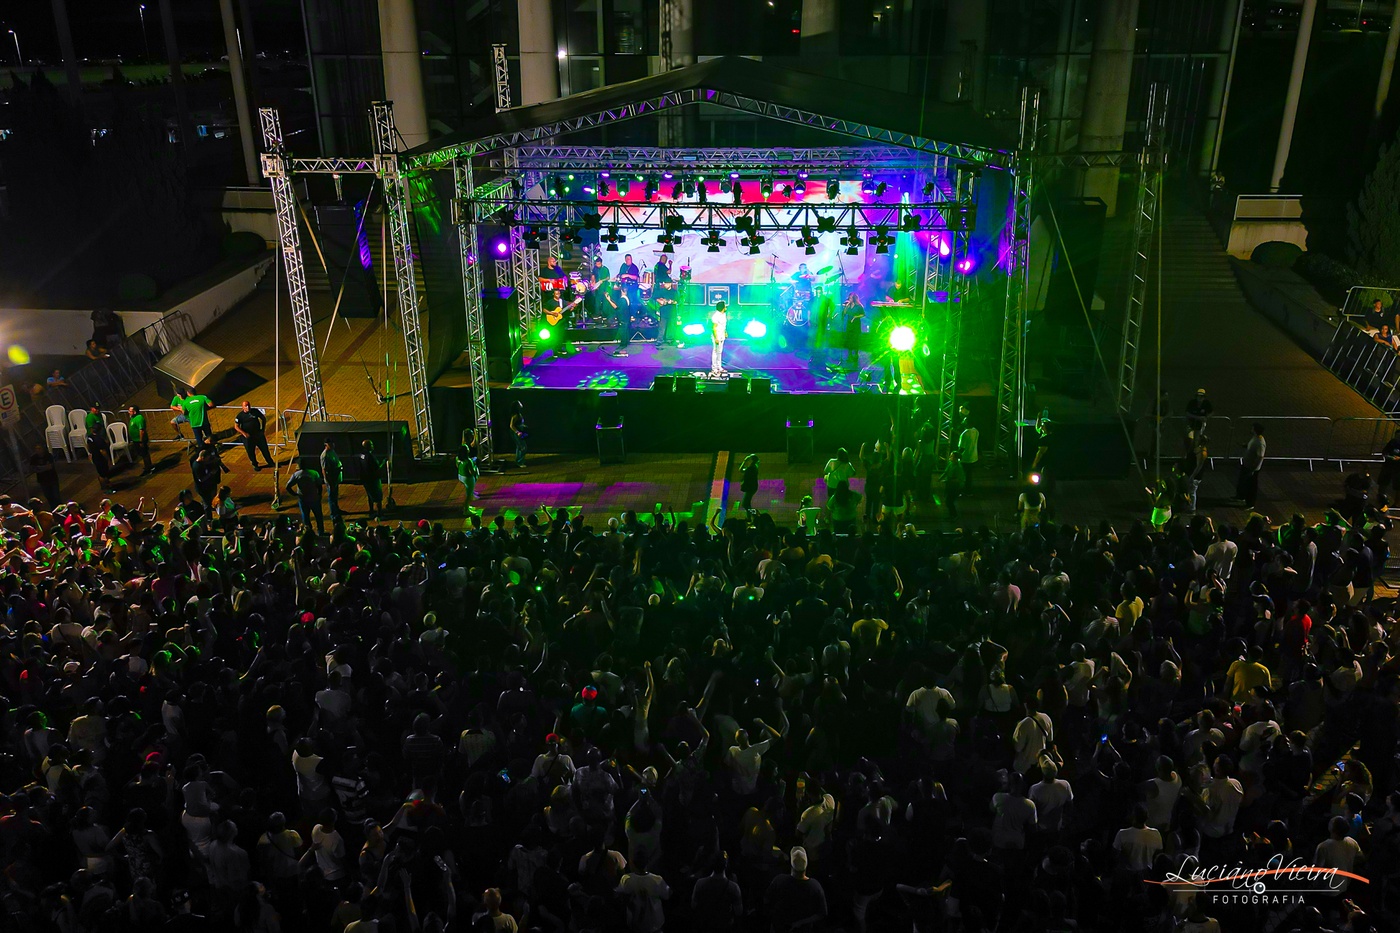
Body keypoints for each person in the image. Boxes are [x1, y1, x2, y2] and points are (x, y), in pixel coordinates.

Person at [286, 461, 326, 534]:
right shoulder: (314, 473)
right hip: (314, 497)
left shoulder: (296, 474)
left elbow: (288, 486)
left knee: (305, 517)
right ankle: (321, 532)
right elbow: (319, 485)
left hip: (303, 498)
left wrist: (294, 494)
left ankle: (308, 532)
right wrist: (319, 495)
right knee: (318, 516)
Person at [234, 401, 275, 470]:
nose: (248, 407)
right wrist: (244, 433)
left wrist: (262, 429)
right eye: (246, 406)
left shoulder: (255, 411)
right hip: (248, 437)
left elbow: (263, 418)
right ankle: (255, 464)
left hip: (258, 434)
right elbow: (236, 426)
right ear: (242, 407)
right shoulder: (240, 416)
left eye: (248, 405)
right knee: (250, 452)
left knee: (264, 449)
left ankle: (270, 462)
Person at [1236, 421, 1267, 509]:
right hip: (1247, 465)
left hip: (1251, 468)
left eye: (1252, 428)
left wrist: (1253, 469)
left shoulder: (1260, 442)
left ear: (1255, 430)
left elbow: (1260, 456)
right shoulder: (1255, 438)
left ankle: (1250, 503)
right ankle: (1241, 496)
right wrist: (1246, 446)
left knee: (1251, 486)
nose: (1251, 429)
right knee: (1243, 481)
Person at [358, 440, 384, 519]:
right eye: (371, 444)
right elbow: (377, 468)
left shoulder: (361, 455)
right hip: (373, 479)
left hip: (366, 479)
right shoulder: (371, 457)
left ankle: (371, 511)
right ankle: (380, 514)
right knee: (378, 497)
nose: (373, 446)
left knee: (370, 495)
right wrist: (384, 462)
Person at [321, 441, 344, 524]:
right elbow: (324, 470)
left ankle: (337, 510)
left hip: (335, 478)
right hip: (331, 480)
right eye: (330, 444)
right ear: (326, 445)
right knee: (332, 497)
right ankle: (333, 515)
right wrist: (328, 482)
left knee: (335, 495)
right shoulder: (325, 455)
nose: (332, 445)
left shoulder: (332, 451)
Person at [956, 405, 979, 486]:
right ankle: (968, 489)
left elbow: (962, 448)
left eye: (965, 421)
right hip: (973, 457)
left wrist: (956, 456)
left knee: (963, 475)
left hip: (965, 458)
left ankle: (963, 489)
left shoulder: (965, 433)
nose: (963, 421)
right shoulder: (976, 431)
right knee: (969, 475)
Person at [126, 406, 153, 475]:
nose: (128, 412)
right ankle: (148, 466)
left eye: (130, 411)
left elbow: (141, 431)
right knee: (142, 453)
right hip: (136, 440)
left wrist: (141, 441)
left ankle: (148, 468)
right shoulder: (133, 417)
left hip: (140, 440)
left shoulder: (139, 419)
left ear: (135, 412)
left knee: (144, 454)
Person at [457, 436, 480, 516]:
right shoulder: (468, 461)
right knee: (468, 495)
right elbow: (472, 472)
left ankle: (467, 506)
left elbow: (457, 466)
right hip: (468, 478)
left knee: (468, 492)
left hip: (460, 476)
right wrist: (475, 466)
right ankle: (466, 510)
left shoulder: (457, 458)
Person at [941, 451, 966, 519]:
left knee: (949, 501)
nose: (950, 457)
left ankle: (954, 515)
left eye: (952, 456)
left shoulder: (958, 467)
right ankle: (952, 515)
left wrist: (947, 481)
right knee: (948, 501)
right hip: (950, 485)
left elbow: (958, 479)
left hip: (955, 487)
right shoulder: (950, 463)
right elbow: (946, 472)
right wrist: (940, 478)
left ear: (955, 458)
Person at [710, 300, 729, 376]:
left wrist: (725, 332)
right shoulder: (715, 316)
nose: (726, 307)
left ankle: (719, 367)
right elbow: (714, 328)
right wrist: (716, 338)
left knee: (719, 352)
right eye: (725, 306)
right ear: (722, 307)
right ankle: (714, 368)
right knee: (715, 351)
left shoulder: (724, 314)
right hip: (717, 336)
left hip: (722, 335)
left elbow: (723, 325)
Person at [510, 401, 529, 470]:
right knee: (523, 447)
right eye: (519, 403)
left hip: (519, 432)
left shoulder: (518, 414)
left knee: (519, 447)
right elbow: (511, 425)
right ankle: (519, 462)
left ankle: (519, 461)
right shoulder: (515, 416)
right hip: (517, 433)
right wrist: (517, 432)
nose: (521, 404)